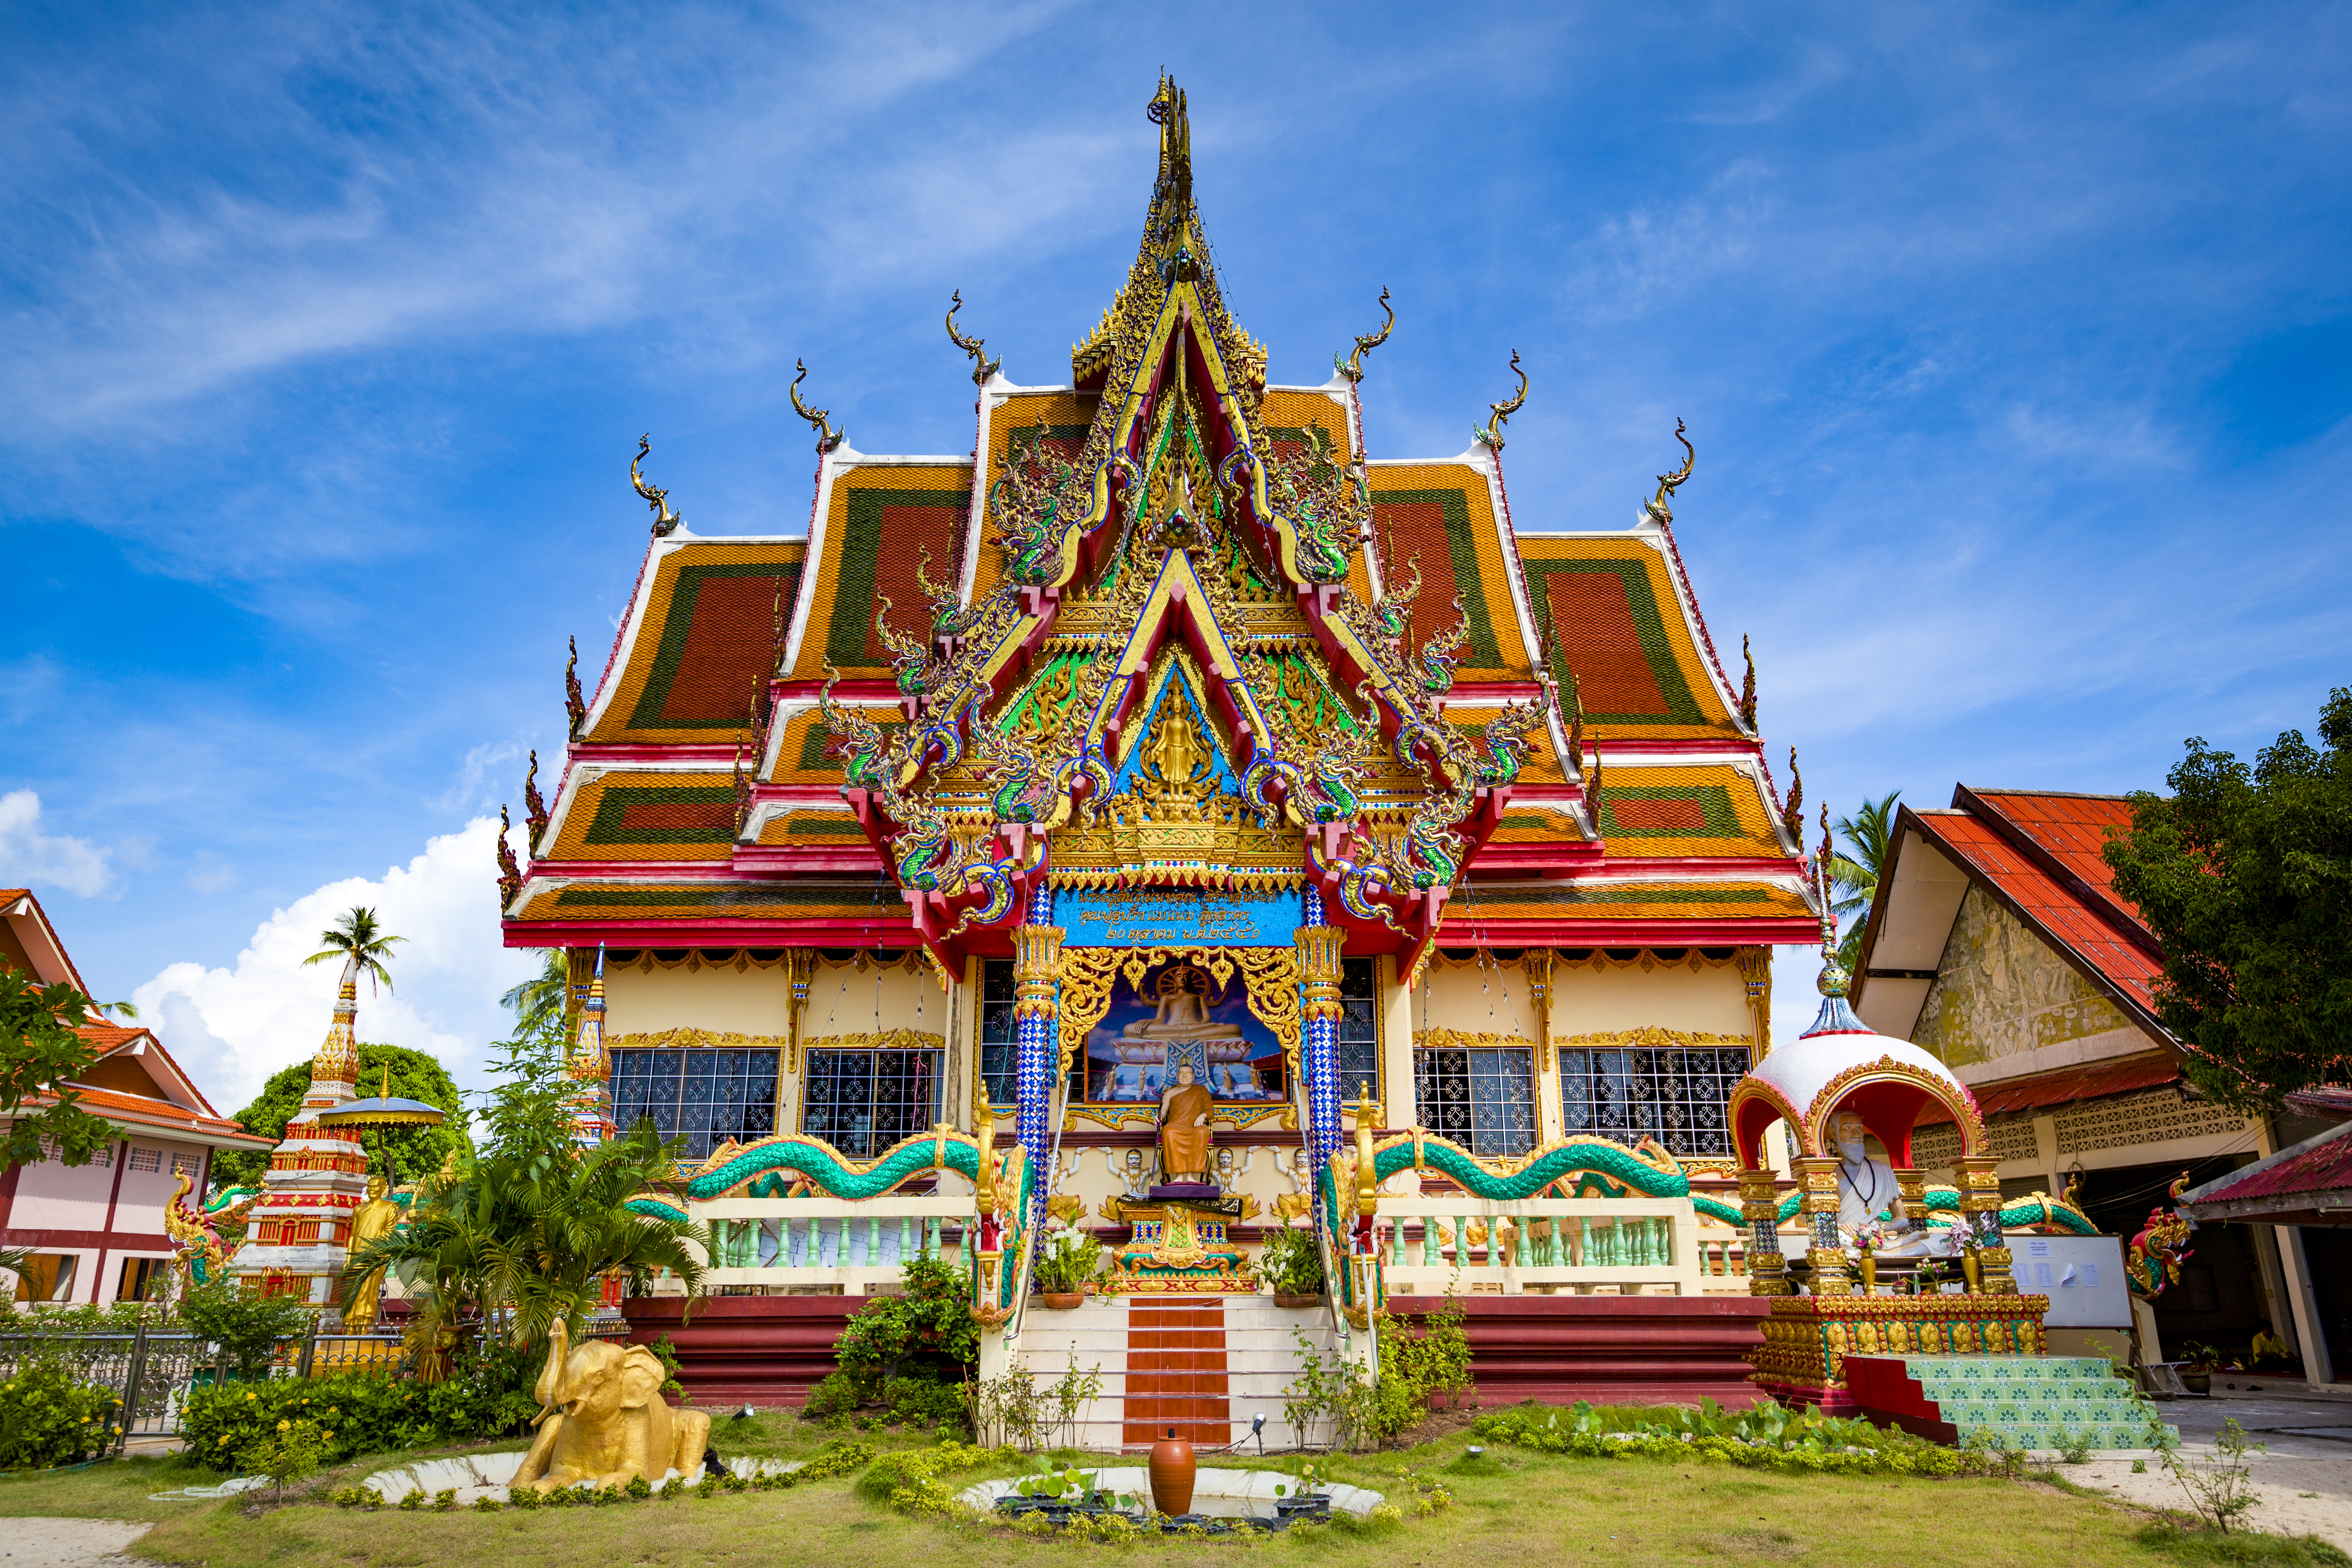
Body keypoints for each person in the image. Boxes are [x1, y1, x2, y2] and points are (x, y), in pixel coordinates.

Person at [339, 1173, 402, 1328]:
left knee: (368, 1292)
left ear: (383, 1189)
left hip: (374, 1256)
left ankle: (363, 1328)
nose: (372, 1190)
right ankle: (349, 1327)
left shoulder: (389, 1207)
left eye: (376, 1187)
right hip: (356, 1256)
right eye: (370, 1187)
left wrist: (378, 1253)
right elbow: (353, 1235)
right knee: (353, 1291)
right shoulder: (359, 1209)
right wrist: (348, 1259)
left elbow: (390, 1232)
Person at [1156, 1061, 1216, 1185]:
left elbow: (1210, 1111)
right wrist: (1158, 1118)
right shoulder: (1170, 1093)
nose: (1185, 1076)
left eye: (1188, 1073)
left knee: (1202, 1131)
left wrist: (1203, 1115)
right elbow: (1163, 1113)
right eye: (1182, 1073)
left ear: (1193, 1076)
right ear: (1177, 1076)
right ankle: (1179, 1175)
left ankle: (1190, 1175)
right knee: (1168, 1132)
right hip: (1175, 1125)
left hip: (1195, 1126)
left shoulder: (1202, 1091)